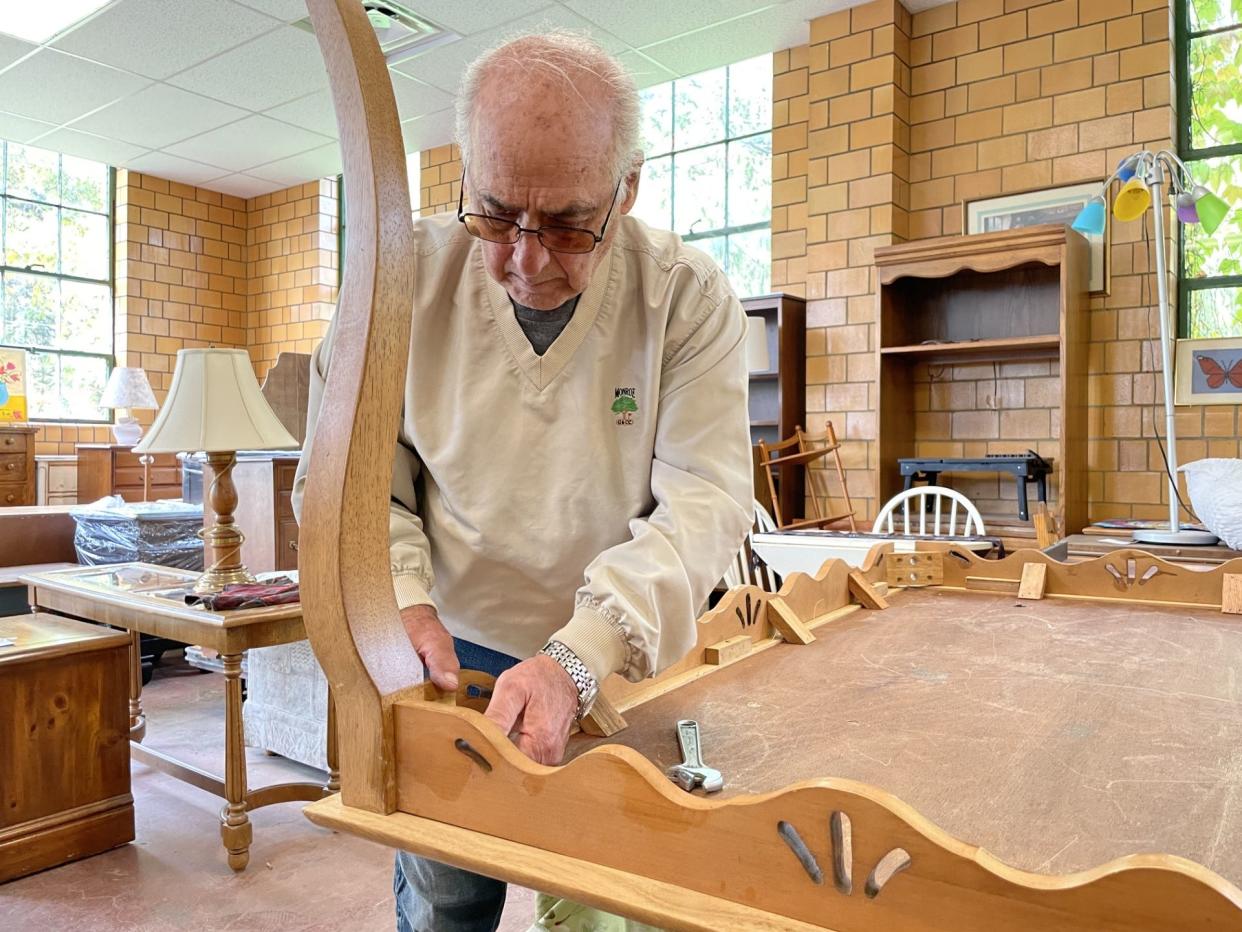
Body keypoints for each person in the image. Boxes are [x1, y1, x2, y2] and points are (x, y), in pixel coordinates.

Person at [294, 29, 754, 932]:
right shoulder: (395, 288)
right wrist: (400, 606)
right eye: (497, 214)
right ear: (464, 172)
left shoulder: (686, 299)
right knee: (444, 902)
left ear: (627, 187)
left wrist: (582, 655)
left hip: (613, 664)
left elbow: (706, 499)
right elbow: (351, 488)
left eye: (570, 223)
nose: (526, 259)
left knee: (598, 906)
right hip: (447, 660)